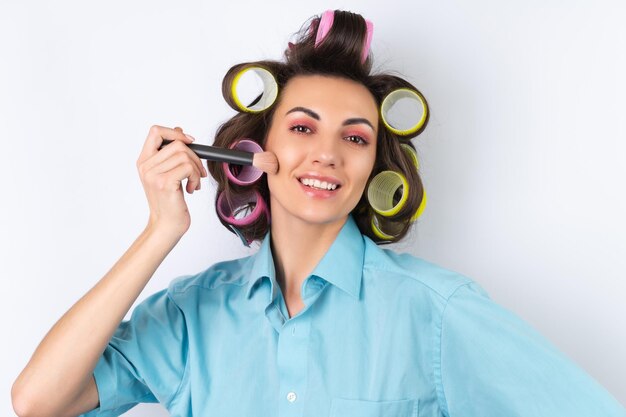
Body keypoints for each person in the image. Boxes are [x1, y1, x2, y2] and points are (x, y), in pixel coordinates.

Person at [11, 9, 626, 417]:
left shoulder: (437, 313)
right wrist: (160, 231)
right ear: (253, 153)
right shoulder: (190, 317)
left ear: (375, 171)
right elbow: (38, 402)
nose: (327, 154)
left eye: (356, 138)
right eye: (303, 127)